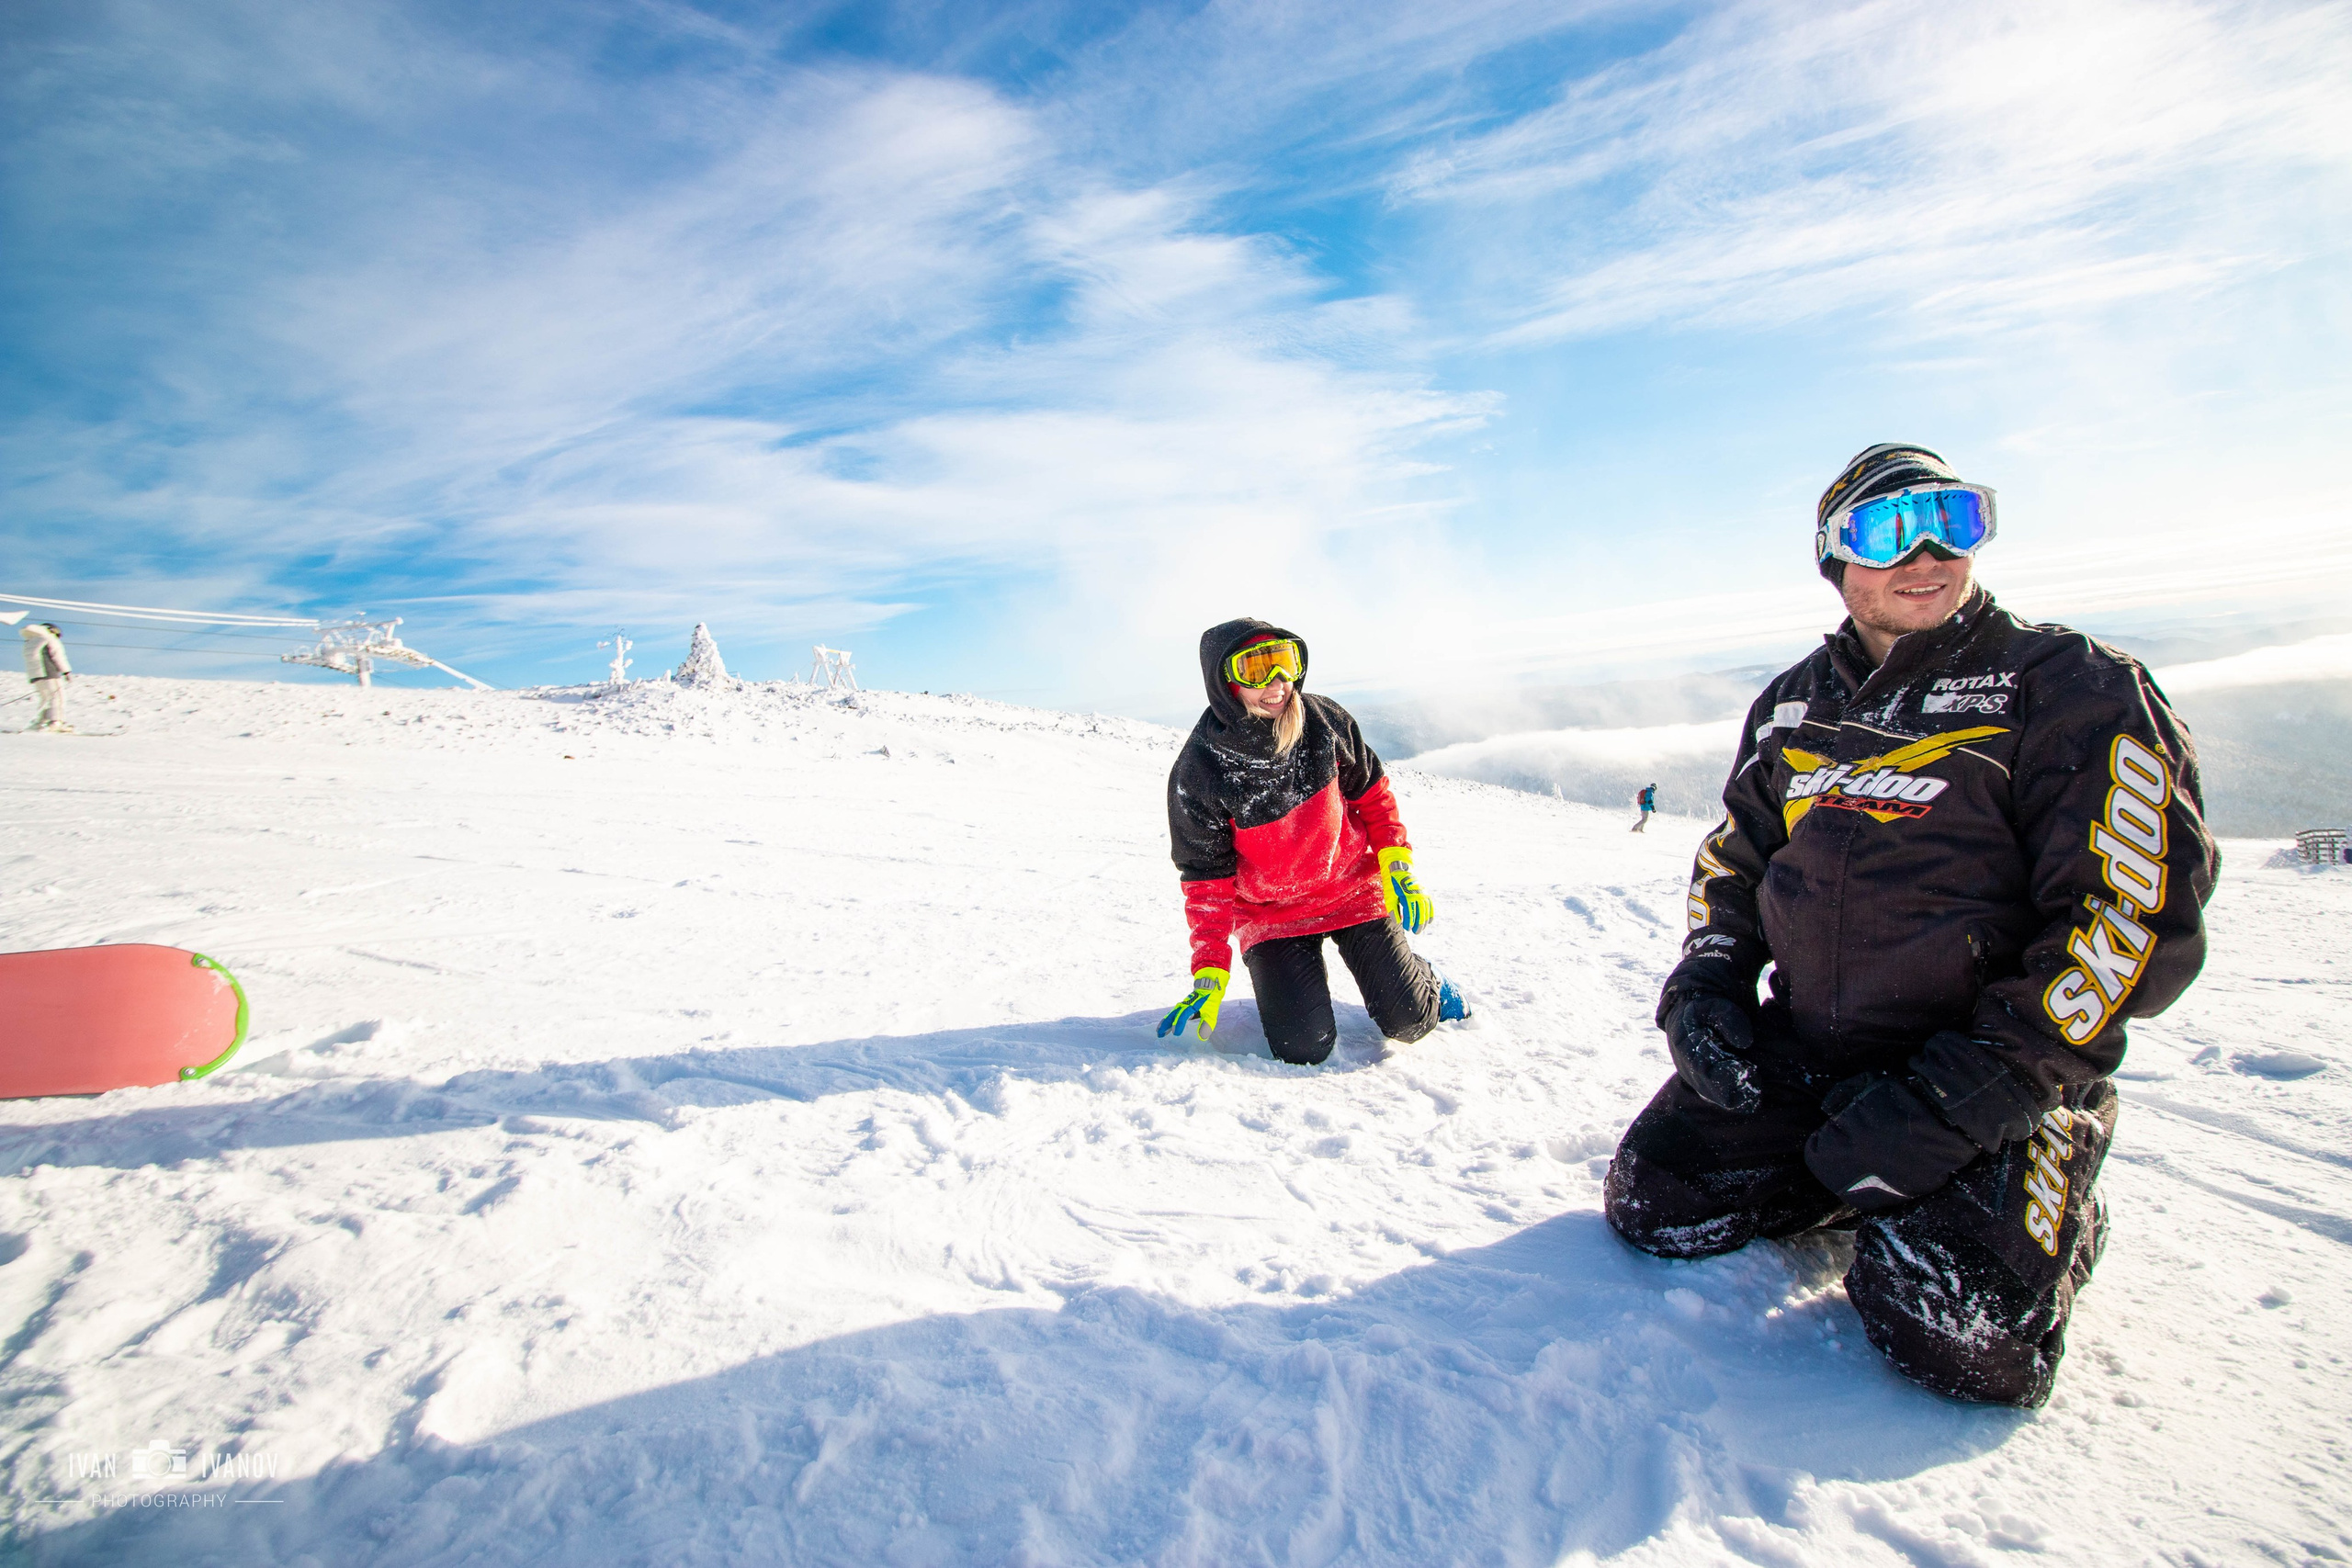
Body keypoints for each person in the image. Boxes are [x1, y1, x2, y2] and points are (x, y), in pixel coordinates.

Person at [1602, 444, 2218, 1407]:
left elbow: (2128, 912)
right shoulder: (1792, 703)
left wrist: (1979, 1088)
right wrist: (1707, 982)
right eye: (1888, 531)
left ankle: (2045, 1172)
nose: (1927, 552)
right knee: (1658, 1198)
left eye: (1956, 520)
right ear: (1832, 558)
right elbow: (1735, 859)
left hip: (1991, 1065)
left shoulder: (2067, 685)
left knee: (1959, 1334)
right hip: (1817, 1046)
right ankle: (1862, 1167)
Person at [1159, 618, 1468, 1065]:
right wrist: (1208, 971)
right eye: (1255, 669)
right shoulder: (1200, 771)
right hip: (1272, 915)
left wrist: (1396, 867)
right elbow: (1206, 883)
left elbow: (1374, 797)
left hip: (1349, 889)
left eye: (1284, 663)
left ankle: (1428, 982)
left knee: (1409, 1020)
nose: (1277, 682)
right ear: (1224, 681)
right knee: (1303, 1048)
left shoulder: (1325, 723)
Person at [19, 621, 72, 732]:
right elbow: (58, 656)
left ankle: (41, 722)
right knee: (58, 697)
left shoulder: (30, 641)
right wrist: (66, 671)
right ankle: (56, 722)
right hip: (49, 673)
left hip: (35, 676)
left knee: (45, 698)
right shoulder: (49, 638)